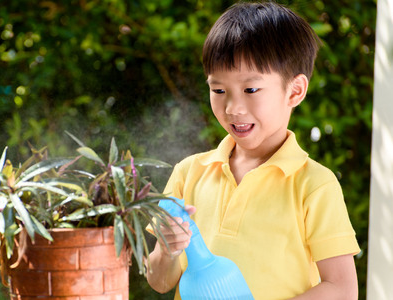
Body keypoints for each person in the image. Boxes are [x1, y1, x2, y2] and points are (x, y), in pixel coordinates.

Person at [146, 1, 360, 299]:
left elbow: (342, 289)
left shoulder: (313, 185)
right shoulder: (189, 173)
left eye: (250, 90)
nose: (232, 107)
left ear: (294, 91)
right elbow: (159, 281)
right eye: (218, 90)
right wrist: (168, 252)